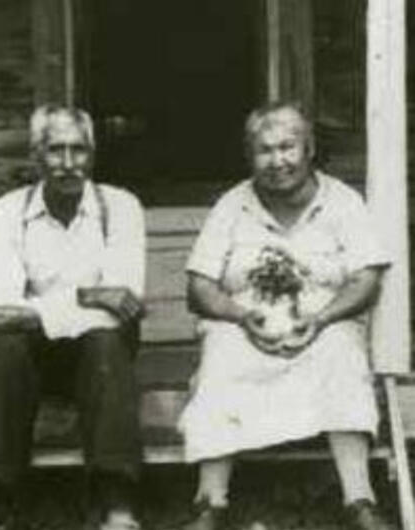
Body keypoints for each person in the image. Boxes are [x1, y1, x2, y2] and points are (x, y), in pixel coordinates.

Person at [179, 102, 391, 530]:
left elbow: (366, 279)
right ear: (250, 157)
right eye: (265, 150)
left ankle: (359, 500)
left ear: (309, 148)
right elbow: (199, 287)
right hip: (247, 331)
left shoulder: (343, 203)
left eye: (287, 147)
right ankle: (210, 504)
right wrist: (241, 317)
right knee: (221, 352)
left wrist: (322, 319)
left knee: (342, 352)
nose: (278, 161)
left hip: (321, 329)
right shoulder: (231, 206)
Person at [0, 105, 146, 530]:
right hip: (29, 356)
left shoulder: (121, 207)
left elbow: (123, 304)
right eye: (55, 150)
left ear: (92, 154)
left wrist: (37, 310)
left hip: (100, 353)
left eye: (78, 150)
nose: (68, 163)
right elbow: (1, 309)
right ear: (36, 156)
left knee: (105, 342)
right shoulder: (7, 212)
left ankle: (117, 503)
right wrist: (89, 295)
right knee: (6, 349)